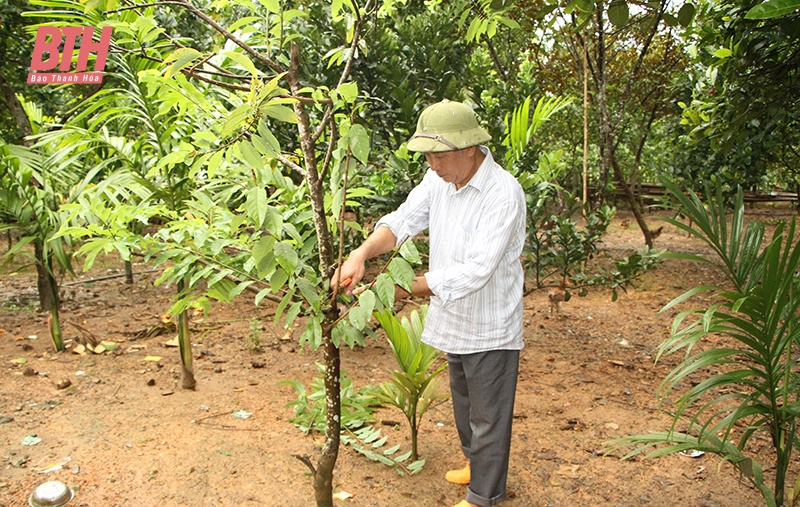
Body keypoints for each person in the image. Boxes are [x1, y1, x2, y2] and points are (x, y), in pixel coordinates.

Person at [335, 99, 526, 507]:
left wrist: (398, 289)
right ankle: (479, 466)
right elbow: (403, 220)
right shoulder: (438, 179)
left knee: (489, 414)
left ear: (470, 148)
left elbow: (476, 271)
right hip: (455, 315)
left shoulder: (502, 193)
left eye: (439, 155)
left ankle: (484, 496)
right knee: (465, 404)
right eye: (428, 156)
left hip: (490, 320)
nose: (433, 165)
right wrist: (362, 255)